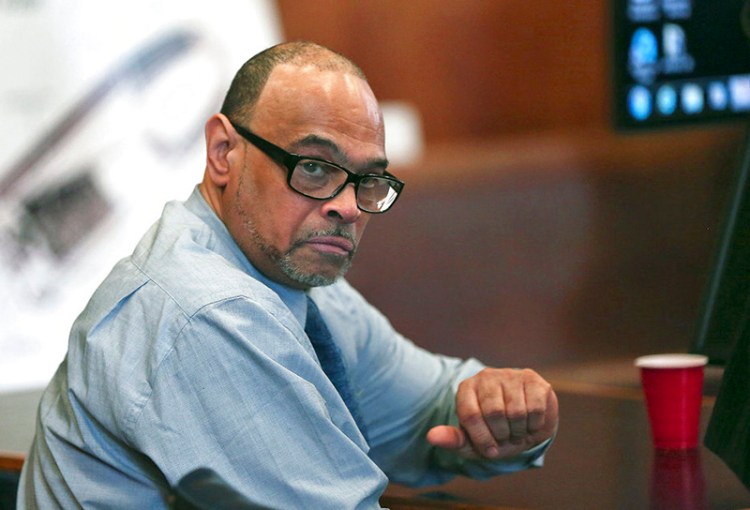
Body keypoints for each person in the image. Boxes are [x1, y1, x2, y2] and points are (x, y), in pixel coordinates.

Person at [18, 41, 559, 509]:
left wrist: (508, 408)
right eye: (316, 168)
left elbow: (429, 410)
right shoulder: (206, 313)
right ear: (223, 152)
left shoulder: (289, 276)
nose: (348, 207)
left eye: (368, 179)